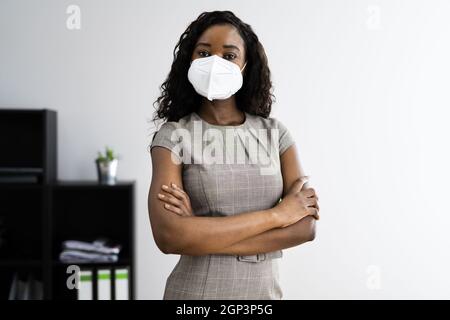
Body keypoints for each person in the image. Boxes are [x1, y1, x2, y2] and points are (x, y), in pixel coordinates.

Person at [147, 10, 320, 300]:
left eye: (229, 56)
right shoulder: (173, 136)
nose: (214, 63)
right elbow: (169, 237)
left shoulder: (275, 134)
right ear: (189, 61)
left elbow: (306, 227)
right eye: (203, 53)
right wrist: (279, 214)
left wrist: (200, 235)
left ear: (245, 65)